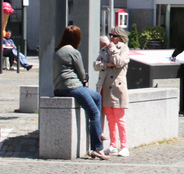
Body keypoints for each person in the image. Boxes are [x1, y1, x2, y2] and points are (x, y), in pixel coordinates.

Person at [52, 25, 108, 160]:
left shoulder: (57, 51)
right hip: (73, 87)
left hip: (58, 87)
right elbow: (81, 72)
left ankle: (98, 132)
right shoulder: (74, 52)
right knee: (94, 113)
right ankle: (97, 148)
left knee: (96, 97)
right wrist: (85, 81)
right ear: (77, 39)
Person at [96, 27, 132, 156]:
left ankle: (124, 146)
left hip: (117, 87)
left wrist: (112, 50)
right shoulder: (104, 49)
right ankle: (113, 145)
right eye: (110, 35)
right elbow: (96, 64)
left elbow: (119, 63)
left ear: (120, 37)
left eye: (114, 36)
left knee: (120, 118)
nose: (111, 38)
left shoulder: (124, 49)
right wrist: (107, 64)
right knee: (110, 118)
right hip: (106, 86)